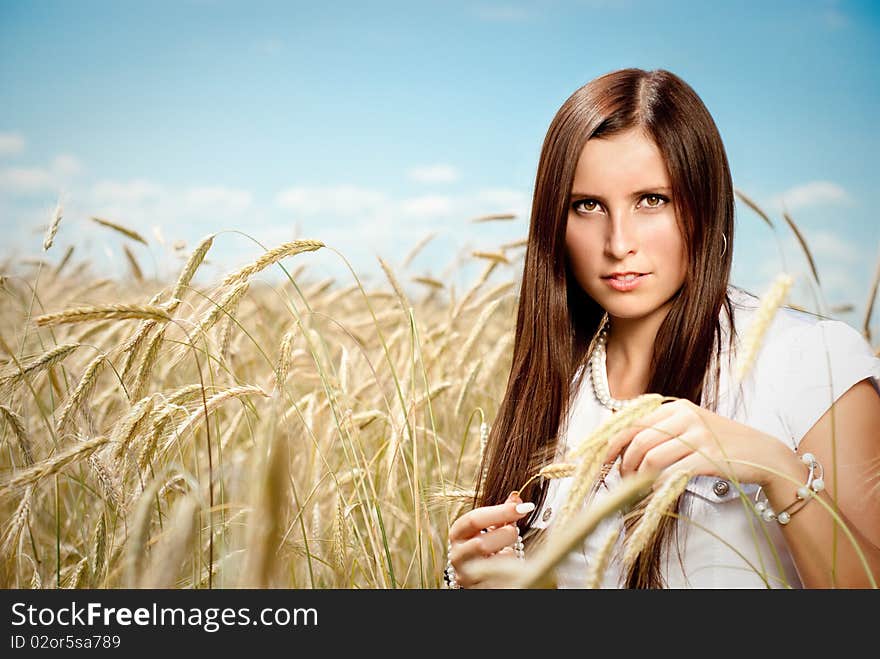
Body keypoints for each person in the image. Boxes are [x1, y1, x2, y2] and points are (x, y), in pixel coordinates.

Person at [445, 67, 880, 589]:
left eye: (652, 200)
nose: (618, 242)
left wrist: (778, 470)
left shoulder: (812, 361)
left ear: (702, 204)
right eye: (588, 206)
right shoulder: (553, 388)